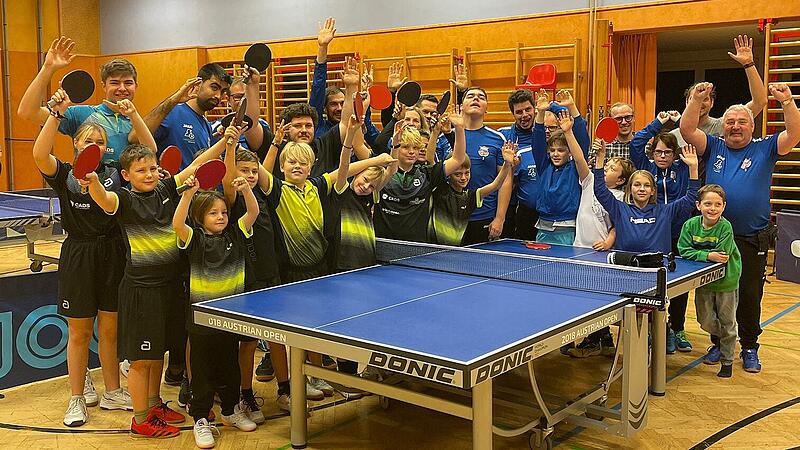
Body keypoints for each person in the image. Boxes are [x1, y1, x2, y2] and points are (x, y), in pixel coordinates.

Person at [83, 121, 232, 438]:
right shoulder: (124, 200)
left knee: (157, 353)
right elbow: (104, 200)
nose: (149, 174)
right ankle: (139, 419)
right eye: (141, 171)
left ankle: (153, 404)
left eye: (152, 168)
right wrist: (93, 181)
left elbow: (196, 164)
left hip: (169, 286)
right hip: (141, 290)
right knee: (141, 358)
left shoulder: (165, 190)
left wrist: (225, 143)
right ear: (126, 176)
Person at [33, 89, 137, 427]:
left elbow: (146, 145)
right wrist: (56, 115)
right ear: (76, 143)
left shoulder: (114, 174)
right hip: (79, 252)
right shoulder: (64, 174)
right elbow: (39, 153)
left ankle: (112, 391)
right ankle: (76, 398)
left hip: (113, 251)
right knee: (79, 332)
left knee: (109, 329)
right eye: (87, 138)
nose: (93, 143)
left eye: (100, 139)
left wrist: (134, 116)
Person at [680, 81, 800, 373]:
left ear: (752, 125)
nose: (735, 126)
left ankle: (748, 346)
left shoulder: (766, 147)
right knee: (716, 295)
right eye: (730, 122)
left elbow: (794, 134)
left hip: (750, 240)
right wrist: (695, 100)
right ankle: (719, 342)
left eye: (742, 122)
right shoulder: (715, 146)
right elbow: (687, 130)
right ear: (723, 127)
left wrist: (787, 102)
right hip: (716, 240)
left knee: (748, 295)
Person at [173, 139, 260, 446]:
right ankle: (200, 418)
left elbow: (252, 213)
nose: (221, 217)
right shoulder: (194, 240)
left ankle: (231, 409)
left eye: (223, 211)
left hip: (231, 317)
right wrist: (188, 195)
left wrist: (246, 189)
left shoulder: (236, 234)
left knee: (230, 369)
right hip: (201, 322)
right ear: (201, 219)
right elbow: (177, 223)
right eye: (213, 214)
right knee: (203, 373)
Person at [631, 111, 696, 353]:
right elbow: (637, 141)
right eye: (658, 151)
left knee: (678, 284)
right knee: (653, 284)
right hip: (653, 233)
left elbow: (692, 138)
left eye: (667, 152)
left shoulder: (681, 168)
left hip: (679, 233)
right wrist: (658, 122)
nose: (662, 156)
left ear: (674, 153)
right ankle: (656, 329)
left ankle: (677, 328)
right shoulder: (646, 169)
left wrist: (679, 122)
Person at [17, 36, 139, 162]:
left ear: (136, 86)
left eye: (128, 83)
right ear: (104, 86)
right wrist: (47, 68)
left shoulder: (138, 123)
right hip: (86, 181)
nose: (122, 88)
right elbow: (27, 112)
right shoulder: (82, 114)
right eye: (115, 83)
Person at [569, 139, 635, 358]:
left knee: (596, 299)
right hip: (580, 250)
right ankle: (603, 338)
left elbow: (618, 225)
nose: (605, 170)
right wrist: (569, 133)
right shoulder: (589, 182)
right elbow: (579, 159)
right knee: (583, 297)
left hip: (602, 255)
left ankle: (594, 338)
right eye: (605, 167)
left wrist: (609, 241)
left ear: (621, 180)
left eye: (612, 169)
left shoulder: (619, 198)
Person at [373, 109, 467, 242]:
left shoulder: (427, 174)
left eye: (416, 148)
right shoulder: (382, 173)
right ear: (397, 146)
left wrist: (459, 129)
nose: (412, 152)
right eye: (406, 147)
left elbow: (458, 159)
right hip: (382, 242)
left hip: (416, 245)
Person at [678, 184, 741, 378]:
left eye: (717, 204)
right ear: (698, 205)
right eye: (708, 204)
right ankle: (726, 339)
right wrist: (707, 255)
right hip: (703, 281)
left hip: (726, 282)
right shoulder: (690, 225)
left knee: (728, 322)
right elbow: (683, 250)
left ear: (723, 207)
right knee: (704, 321)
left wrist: (704, 255)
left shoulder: (725, 226)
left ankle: (727, 360)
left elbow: (723, 255)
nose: (712, 208)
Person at [592, 141, 699, 255]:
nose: (642, 189)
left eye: (647, 185)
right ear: (630, 189)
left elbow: (691, 197)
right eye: (637, 185)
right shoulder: (619, 209)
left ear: (653, 191)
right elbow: (600, 191)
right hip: (625, 266)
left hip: (658, 267)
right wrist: (600, 158)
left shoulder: (666, 211)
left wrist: (693, 168)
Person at [135, 63, 232, 168]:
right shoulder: (172, 113)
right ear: (198, 84)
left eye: (222, 92)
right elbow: (135, 139)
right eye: (214, 88)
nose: (218, 96)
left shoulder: (206, 125)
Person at [428, 142, 518, 246]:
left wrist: (507, 163)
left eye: (467, 173)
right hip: (434, 247)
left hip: (457, 248)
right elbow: (430, 161)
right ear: (448, 174)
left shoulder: (470, 197)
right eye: (457, 174)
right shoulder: (440, 190)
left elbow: (496, 185)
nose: (463, 178)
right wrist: (435, 133)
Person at [531, 91, 590, 245]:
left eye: (561, 150)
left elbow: (582, 140)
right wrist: (541, 112)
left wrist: (572, 107)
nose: (556, 154)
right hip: (543, 228)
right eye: (553, 150)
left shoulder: (575, 168)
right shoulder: (544, 166)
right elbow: (537, 141)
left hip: (567, 229)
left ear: (569, 151)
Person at [459, 87, 512, 244]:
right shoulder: (446, 137)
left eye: (481, 97)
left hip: (484, 217)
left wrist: (500, 218)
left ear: (486, 108)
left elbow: (505, 180)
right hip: (450, 217)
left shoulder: (497, 139)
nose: (476, 99)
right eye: (470, 96)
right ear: (462, 105)